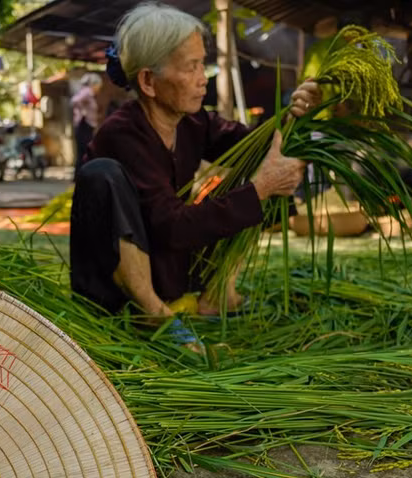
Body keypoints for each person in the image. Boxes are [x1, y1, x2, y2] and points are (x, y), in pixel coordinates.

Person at [69, 1, 321, 333]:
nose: (204, 79)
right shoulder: (122, 134)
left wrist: (293, 117)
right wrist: (259, 189)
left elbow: (253, 145)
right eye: (191, 68)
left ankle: (217, 294)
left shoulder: (192, 121)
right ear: (148, 81)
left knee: (262, 170)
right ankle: (155, 314)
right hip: (120, 288)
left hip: (170, 265)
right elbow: (171, 227)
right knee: (101, 174)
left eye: (203, 65)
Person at [70, 73, 103, 171]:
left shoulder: (89, 94)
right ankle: (81, 175)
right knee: (84, 153)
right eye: (98, 86)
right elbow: (75, 101)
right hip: (84, 126)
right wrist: (83, 111)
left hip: (87, 127)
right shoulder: (87, 91)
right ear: (94, 84)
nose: (99, 89)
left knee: (84, 153)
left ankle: (81, 174)